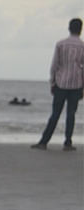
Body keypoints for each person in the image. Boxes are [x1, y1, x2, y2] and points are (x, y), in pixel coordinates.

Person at [32, 17, 84, 151]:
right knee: (71, 114)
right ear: (81, 30)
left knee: (55, 114)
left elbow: (55, 65)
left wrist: (52, 82)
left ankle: (44, 142)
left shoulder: (61, 44)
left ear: (69, 28)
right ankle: (67, 143)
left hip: (61, 83)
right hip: (76, 84)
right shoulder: (82, 46)